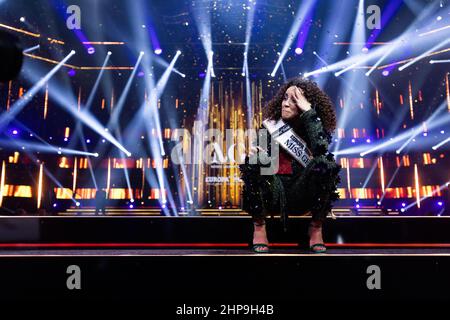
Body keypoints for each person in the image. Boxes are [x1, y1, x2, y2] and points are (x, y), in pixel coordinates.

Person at [240, 77, 341, 253]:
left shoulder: (316, 127)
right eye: (285, 98)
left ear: (306, 104)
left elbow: (321, 150)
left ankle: (316, 228)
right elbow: (260, 160)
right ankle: (259, 227)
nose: (285, 104)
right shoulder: (270, 126)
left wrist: (309, 113)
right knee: (253, 161)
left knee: (326, 163)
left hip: (304, 194)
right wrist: (254, 155)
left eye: (294, 100)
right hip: (274, 193)